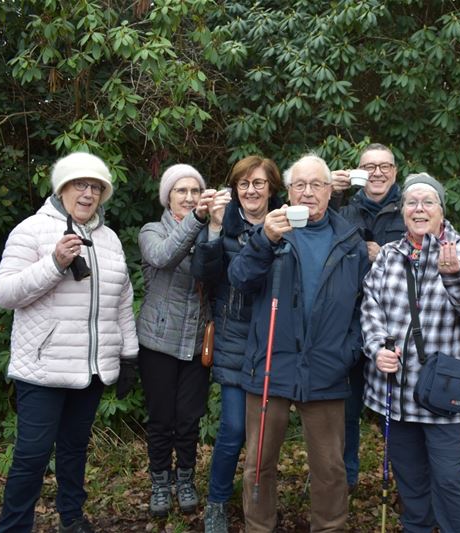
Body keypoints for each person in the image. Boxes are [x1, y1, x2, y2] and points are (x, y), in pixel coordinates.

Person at [0, 151, 138, 533]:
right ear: (62, 188)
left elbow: (122, 301)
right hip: (43, 369)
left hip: (89, 371)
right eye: (80, 185)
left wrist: (129, 355)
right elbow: (5, 293)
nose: (88, 194)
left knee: (74, 452)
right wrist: (54, 264)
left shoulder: (109, 240)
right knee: (32, 456)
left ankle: (72, 519)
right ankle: (13, 527)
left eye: (96, 187)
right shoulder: (31, 231)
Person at [228, 153, 370, 532]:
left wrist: (349, 350)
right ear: (288, 192)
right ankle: (259, 527)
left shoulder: (350, 240)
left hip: (327, 366)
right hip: (271, 363)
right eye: (300, 185)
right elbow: (239, 279)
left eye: (317, 185)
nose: (308, 192)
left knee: (329, 467)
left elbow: (363, 305)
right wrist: (263, 241)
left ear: (329, 190)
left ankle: (330, 527)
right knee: (259, 463)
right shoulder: (271, 231)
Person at [361, 173, 460, 533]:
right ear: (403, 210)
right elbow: (370, 308)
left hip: (445, 395)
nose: (419, 209)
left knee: (449, 480)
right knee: (411, 482)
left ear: (441, 209)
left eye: (427, 202)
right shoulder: (389, 255)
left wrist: (456, 277)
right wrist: (376, 349)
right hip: (397, 392)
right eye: (411, 202)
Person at [190, 156, 283, 532]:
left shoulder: (287, 223)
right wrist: (212, 229)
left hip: (275, 339)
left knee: (266, 435)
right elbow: (202, 273)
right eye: (243, 184)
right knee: (232, 429)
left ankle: (258, 502)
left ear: (272, 188)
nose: (251, 191)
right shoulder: (224, 224)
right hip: (233, 337)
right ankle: (216, 501)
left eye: (258, 183)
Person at [136, 164, 229, 516]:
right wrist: (199, 220)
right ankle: (160, 482)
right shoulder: (150, 231)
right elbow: (164, 256)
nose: (189, 197)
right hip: (158, 341)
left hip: (195, 343)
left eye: (195, 191)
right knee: (161, 418)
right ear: (168, 197)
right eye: (181, 191)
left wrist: (218, 222)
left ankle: (186, 479)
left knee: (189, 419)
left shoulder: (207, 229)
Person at [330, 143, 406, 492]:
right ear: (357, 171)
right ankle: (345, 481)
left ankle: (406, 485)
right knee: (346, 411)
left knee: (401, 412)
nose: (376, 172)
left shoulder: (411, 209)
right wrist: (330, 193)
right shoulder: (344, 212)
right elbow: (322, 251)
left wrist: (385, 256)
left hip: (397, 330)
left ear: (395, 172)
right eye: (368, 166)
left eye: (384, 166)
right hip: (348, 327)